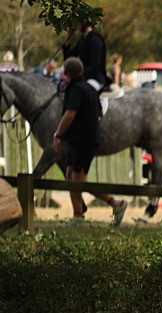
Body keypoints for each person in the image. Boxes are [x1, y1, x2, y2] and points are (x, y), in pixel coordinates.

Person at [53, 57, 126, 226]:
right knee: (70, 175)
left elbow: (69, 114)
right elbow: (101, 113)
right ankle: (78, 216)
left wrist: (58, 134)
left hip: (83, 141)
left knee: (79, 180)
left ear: (66, 73)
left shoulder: (77, 89)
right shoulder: (89, 88)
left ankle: (116, 203)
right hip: (83, 139)